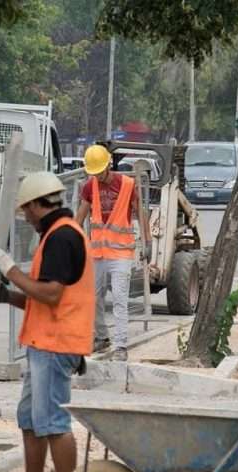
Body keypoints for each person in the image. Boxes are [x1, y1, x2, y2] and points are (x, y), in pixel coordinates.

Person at [0, 172, 94, 472]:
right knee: (31, 418)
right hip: (45, 342)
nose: (25, 217)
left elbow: (50, 293)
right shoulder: (58, 234)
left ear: (35, 204)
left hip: (56, 345)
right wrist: (5, 294)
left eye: (25, 210)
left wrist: (10, 269)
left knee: (53, 422)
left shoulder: (61, 237)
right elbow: (42, 299)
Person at [74, 144, 149, 361]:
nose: (96, 176)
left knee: (118, 298)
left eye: (98, 172)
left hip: (121, 253)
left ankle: (120, 346)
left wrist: (148, 240)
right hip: (97, 253)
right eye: (93, 173)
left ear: (108, 165)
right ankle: (101, 338)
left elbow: (140, 211)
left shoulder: (127, 185)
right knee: (95, 297)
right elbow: (80, 217)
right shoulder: (90, 187)